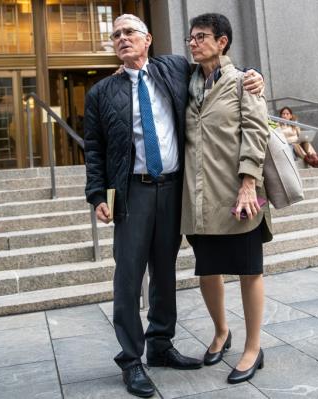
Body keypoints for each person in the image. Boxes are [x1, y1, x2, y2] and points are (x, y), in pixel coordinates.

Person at [84, 14, 264, 398]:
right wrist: (98, 195)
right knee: (129, 277)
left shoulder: (174, 68)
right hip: (131, 192)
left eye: (129, 32)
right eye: (116, 35)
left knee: (164, 272)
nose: (122, 39)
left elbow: (218, 67)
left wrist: (254, 74)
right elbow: (95, 149)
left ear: (148, 39)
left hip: (174, 189)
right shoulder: (102, 92)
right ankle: (131, 359)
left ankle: (161, 346)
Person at [181, 13, 273, 384]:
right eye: (190, 37)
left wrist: (249, 182)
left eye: (201, 36)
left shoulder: (242, 83)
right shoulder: (185, 83)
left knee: (249, 269)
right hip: (199, 197)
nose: (193, 42)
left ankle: (254, 346)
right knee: (208, 268)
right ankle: (221, 331)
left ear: (223, 42)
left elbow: (256, 132)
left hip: (238, 194)